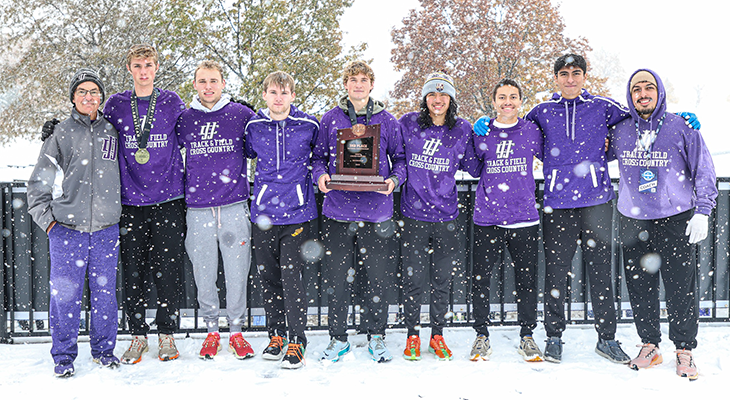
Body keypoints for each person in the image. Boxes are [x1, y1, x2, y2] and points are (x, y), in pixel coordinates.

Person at [608, 69, 717, 380]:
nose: (643, 94)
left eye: (649, 88)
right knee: (640, 289)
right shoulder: (621, 130)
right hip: (633, 220)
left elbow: (704, 170)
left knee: (681, 288)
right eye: (636, 89)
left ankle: (684, 349)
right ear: (629, 97)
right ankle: (649, 345)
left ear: (660, 92)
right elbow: (591, 149)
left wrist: (703, 211)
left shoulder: (681, 126)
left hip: (675, 219)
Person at [28, 68, 121, 377]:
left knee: (105, 296)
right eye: (82, 91)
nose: (88, 97)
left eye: (94, 91)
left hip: (106, 230)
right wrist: (50, 224)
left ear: (101, 97)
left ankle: (104, 351)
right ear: (73, 97)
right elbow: (38, 186)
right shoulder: (60, 134)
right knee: (65, 298)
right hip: (67, 231)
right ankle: (64, 356)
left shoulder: (113, 131)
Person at [312, 60, 406, 363]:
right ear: (345, 85)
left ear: (372, 85)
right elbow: (316, 159)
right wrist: (320, 177)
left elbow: (401, 160)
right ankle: (338, 338)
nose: (358, 84)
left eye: (363, 79)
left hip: (377, 212)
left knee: (377, 278)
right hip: (338, 210)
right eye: (352, 79)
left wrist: (393, 180)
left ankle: (376, 337)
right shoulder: (330, 119)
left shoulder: (388, 121)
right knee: (336, 278)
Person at [107, 44, 187, 363]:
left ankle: (166, 334)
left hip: (168, 199)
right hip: (129, 202)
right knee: (133, 272)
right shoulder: (116, 104)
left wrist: (236, 114)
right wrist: (58, 125)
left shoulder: (171, 101)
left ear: (156, 68)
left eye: (149, 65)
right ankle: (137, 336)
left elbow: (195, 131)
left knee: (168, 271)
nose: (143, 70)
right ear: (129, 69)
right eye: (137, 65)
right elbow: (93, 126)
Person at [176, 60, 255, 360]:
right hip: (198, 209)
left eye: (214, 81)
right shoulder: (184, 119)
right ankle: (211, 330)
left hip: (234, 205)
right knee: (203, 272)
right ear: (195, 84)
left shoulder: (240, 115)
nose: (208, 87)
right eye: (202, 81)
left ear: (223, 84)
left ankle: (236, 331)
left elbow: (266, 137)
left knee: (237, 272)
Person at [462, 79, 544, 362]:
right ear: (493, 101)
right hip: (488, 217)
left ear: (521, 101)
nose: (507, 102)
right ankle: (481, 335)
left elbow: (551, 157)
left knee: (527, 280)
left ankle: (527, 336)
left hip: (524, 217)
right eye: (501, 97)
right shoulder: (483, 131)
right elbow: (472, 168)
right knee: (481, 279)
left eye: (513, 97)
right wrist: (474, 133)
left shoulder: (532, 131)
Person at [244, 71, 320, 369]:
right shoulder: (254, 126)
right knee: (269, 278)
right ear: (265, 95)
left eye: (284, 92)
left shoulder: (308, 125)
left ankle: (296, 339)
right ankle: (275, 335)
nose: (279, 97)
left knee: (292, 279)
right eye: (274, 92)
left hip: (298, 214)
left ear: (292, 96)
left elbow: (321, 157)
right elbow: (246, 154)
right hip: (263, 214)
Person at [398, 72, 473, 361]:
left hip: (447, 216)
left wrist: (485, 134)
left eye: (443, 95)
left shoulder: (462, 129)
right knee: (414, 279)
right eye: (432, 94)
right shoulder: (407, 123)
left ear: (451, 99)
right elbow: (390, 148)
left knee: (442, 280)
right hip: (413, 214)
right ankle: (412, 335)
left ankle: (437, 334)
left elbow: (474, 166)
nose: (437, 99)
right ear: (425, 99)